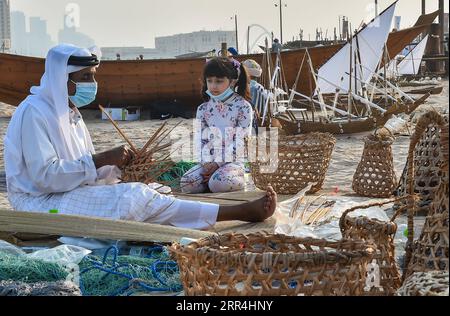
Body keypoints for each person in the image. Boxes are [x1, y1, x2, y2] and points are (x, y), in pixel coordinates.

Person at [4, 44, 277, 231]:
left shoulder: (69, 112)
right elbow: (45, 176)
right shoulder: (34, 113)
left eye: (93, 76)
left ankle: (207, 213)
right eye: (85, 77)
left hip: (67, 191)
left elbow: (86, 169)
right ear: (61, 78)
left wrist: (120, 167)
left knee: (154, 191)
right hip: (39, 203)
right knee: (133, 198)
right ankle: (237, 213)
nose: (92, 83)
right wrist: (101, 159)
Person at [180, 57, 253, 194]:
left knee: (218, 183)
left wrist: (218, 164)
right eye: (209, 81)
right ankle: (211, 181)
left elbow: (242, 141)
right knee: (187, 183)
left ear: (232, 81)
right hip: (208, 163)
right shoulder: (203, 109)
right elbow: (199, 140)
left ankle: (236, 179)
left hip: (233, 162)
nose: (213, 86)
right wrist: (207, 163)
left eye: (219, 81)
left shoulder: (243, 107)